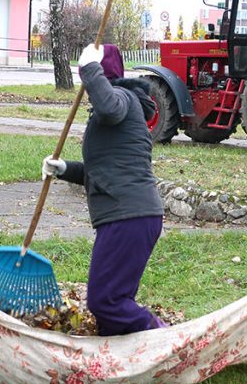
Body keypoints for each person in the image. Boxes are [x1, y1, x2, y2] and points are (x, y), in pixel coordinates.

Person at [41, 44, 168, 336]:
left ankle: (163, 336)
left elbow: (109, 106)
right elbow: (102, 172)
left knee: (105, 302)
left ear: (101, 76)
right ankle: (128, 361)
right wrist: (64, 170)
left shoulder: (122, 99)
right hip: (127, 215)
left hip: (129, 216)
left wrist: (88, 69)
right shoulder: (116, 112)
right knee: (112, 308)